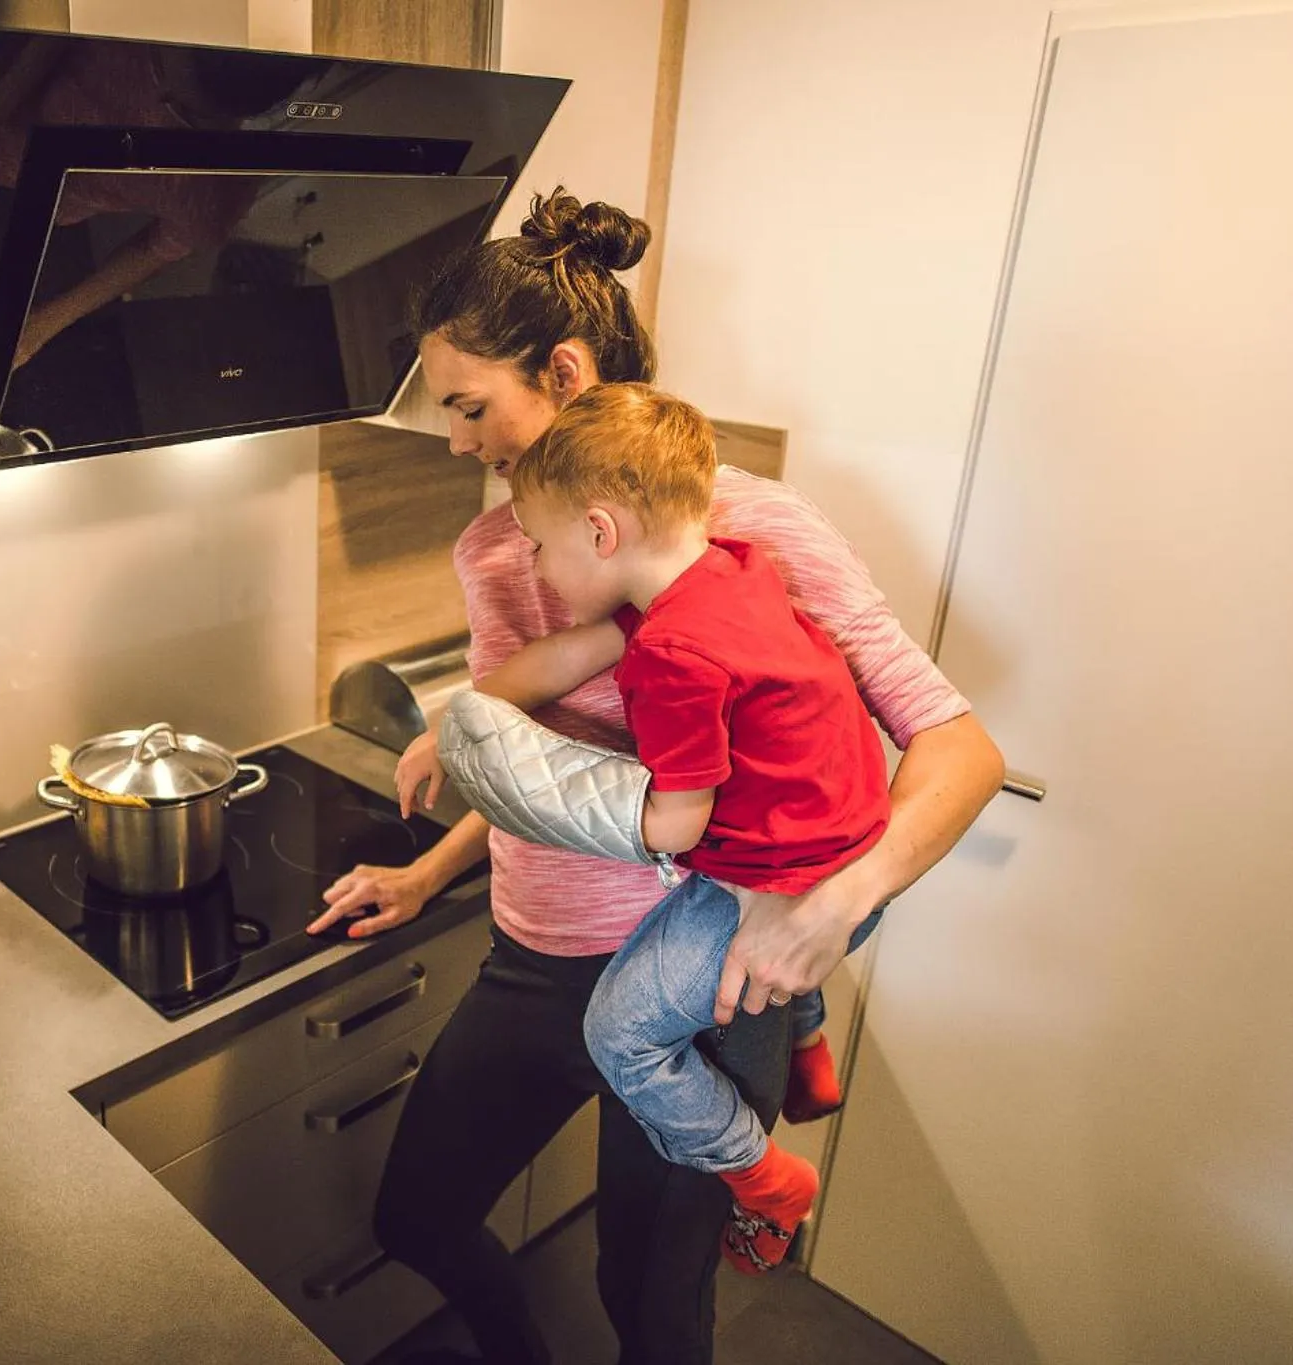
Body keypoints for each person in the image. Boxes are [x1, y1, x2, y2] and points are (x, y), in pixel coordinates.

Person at [304, 187, 1004, 1364]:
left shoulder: (752, 532)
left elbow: (961, 751)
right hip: (531, 958)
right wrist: (429, 874)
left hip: (710, 976)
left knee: (648, 1299)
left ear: (565, 373)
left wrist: (822, 919)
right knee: (415, 1217)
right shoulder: (493, 548)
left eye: (470, 407)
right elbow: (529, 762)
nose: (458, 442)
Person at [396, 382, 892, 1276]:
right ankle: (810, 1047)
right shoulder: (729, 566)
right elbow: (553, 660)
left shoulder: (673, 658)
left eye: (542, 547)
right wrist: (450, 724)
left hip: (783, 883)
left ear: (600, 532)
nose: (537, 571)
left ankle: (765, 1174)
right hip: (847, 842)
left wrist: (536, 794)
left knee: (619, 1032)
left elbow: (673, 821)